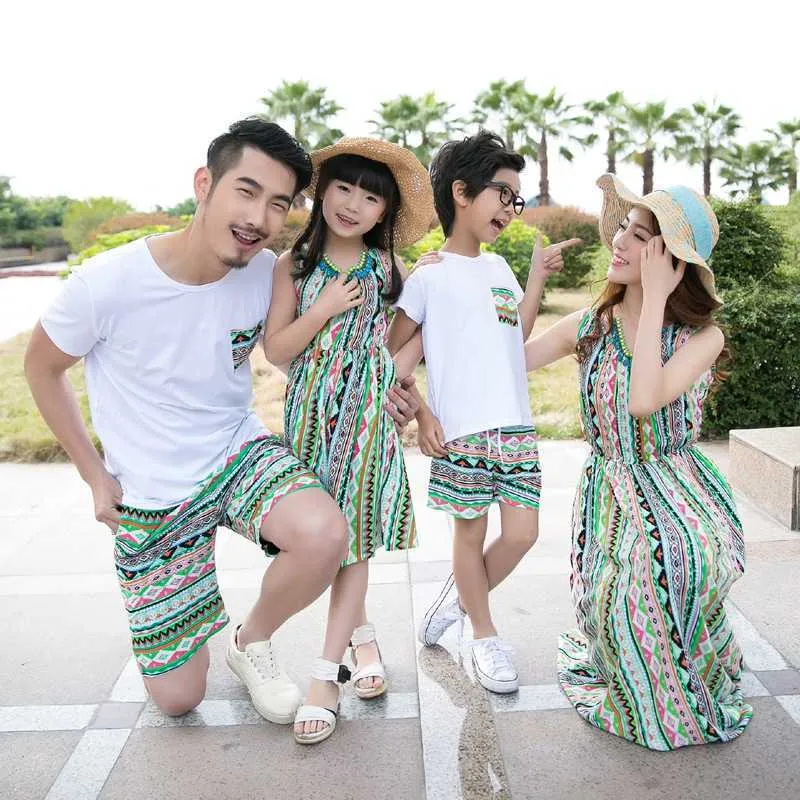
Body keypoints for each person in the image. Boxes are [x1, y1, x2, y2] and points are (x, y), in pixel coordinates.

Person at [23, 118, 418, 724]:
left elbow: (348, 334)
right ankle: (187, 619)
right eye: (247, 190)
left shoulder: (269, 271)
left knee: (327, 533)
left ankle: (249, 640)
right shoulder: (105, 284)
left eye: (279, 203)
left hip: (239, 456)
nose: (259, 216)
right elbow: (42, 370)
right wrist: (94, 475)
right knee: (179, 700)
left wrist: (398, 383)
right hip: (152, 494)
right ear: (205, 183)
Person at [524, 174, 752, 749]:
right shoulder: (590, 326)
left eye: (641, 236)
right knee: (638, 586)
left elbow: (644, 400)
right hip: (611, 491)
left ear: (670, 261)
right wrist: (532, 284)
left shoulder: (704, 337)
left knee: (682, 561)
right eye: (623, 227)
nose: (621, 241)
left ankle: (680, 655)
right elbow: (508, 363)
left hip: (677, 485)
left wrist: (651, 302)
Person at [388, 130, 577, 693]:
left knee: (521, 535)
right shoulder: (428, 276)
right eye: (503, 193)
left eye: (517, 199)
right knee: (469, 539)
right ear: (462, 192)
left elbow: (512, 335)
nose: (511, 208)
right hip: (462, 433)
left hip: (516, 428)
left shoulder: (499, 269)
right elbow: (393, 357)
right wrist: (422, 415)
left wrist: (536, 279)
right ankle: (484, 636)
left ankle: (459, 596)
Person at [264, 137, 432, 743]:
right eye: (344, 188)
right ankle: (363, 641)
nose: (353, 205)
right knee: (323, 540)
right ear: (321, 190)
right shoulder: (295, 267)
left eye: (370, 197)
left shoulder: (387, 271)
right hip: (310, 418)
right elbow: (278, 351)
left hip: (366, 422)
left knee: (354, 543)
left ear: (384, 212)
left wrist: (398, 380)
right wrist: (324, 309)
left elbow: (414, 338)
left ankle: (322, 677)